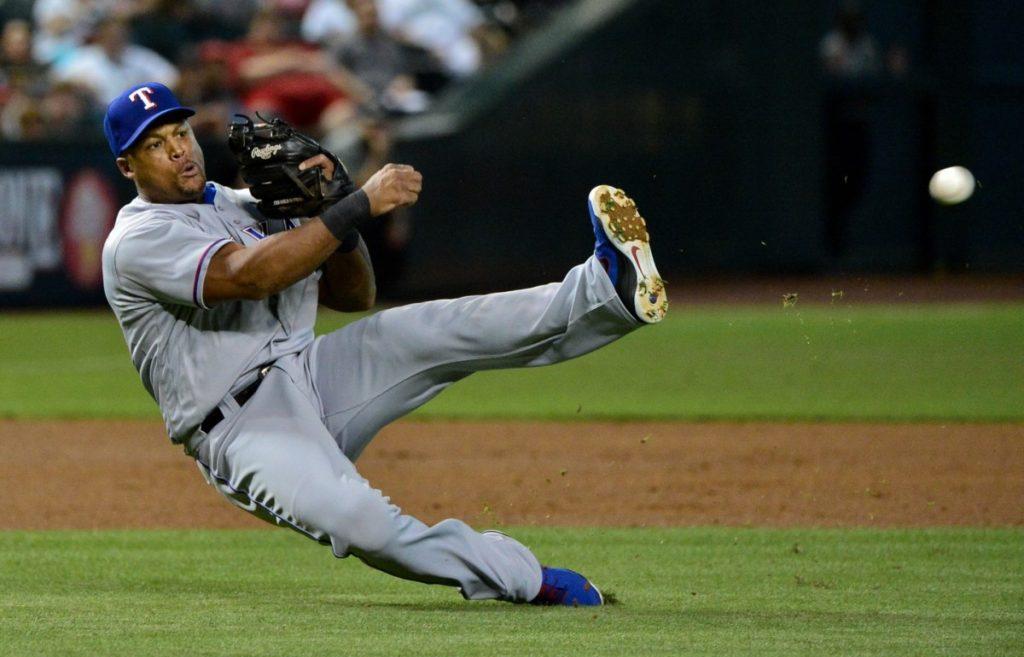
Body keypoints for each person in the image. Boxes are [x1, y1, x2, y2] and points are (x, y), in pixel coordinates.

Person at [100, 82, 667, 607]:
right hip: (243, 427)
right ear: (128, 166)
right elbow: (250, 276)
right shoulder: (136, 240)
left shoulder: (243, 202)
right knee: (363, 523)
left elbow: (356, 296)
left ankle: (606, 289)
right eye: (155, 145)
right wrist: (359, 205)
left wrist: (331, 213)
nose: (178, 150)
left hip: (312, 373)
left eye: (180, 132)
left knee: (438, 328)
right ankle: (522, 578)